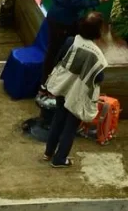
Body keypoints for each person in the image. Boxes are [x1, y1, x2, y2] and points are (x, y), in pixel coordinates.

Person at [42, 0, 115, 90]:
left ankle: (47, 85)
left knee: (52, 51)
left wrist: (59, 3)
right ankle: (47, 87)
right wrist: (97, 1)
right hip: (65, 21)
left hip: (54, 13)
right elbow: (78, 2)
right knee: (58, 55)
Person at [43, 12, 107, 169]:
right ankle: (60, 159)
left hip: (63, 87)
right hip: (78, 95)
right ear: (98, 32)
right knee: (70, 126)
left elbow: (59, 58)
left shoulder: (71, 41)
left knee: (58, 118)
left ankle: (48, 152)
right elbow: (99, 77)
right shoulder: (97, 55)